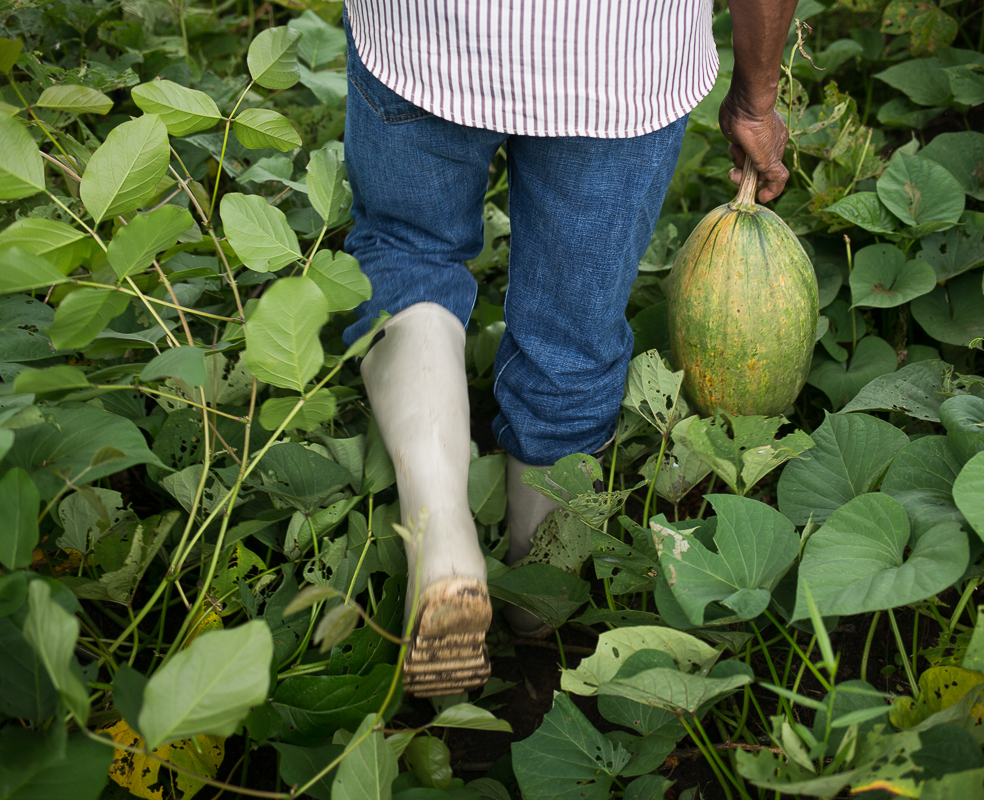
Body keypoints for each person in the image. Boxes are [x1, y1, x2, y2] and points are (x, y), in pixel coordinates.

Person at [341, 0, 797, 697]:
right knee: (573, 330)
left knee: (410, 252)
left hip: (423, 34)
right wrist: (756, 99)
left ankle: (439, 534)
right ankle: (537, 610)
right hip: (617, 57)